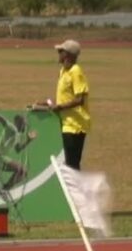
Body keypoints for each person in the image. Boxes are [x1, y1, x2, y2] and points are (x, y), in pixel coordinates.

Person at [33, 39, 91, 170]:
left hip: (75, 125)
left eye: (61, 51)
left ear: (68, 55)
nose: (58, 53)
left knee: (72, 164)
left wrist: (59, 107)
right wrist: (46, 103)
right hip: (66, 122)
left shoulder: (76, 71)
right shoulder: (63, 71)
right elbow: (63, 98)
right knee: (70, 163)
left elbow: (79, 99)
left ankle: (75, 190)